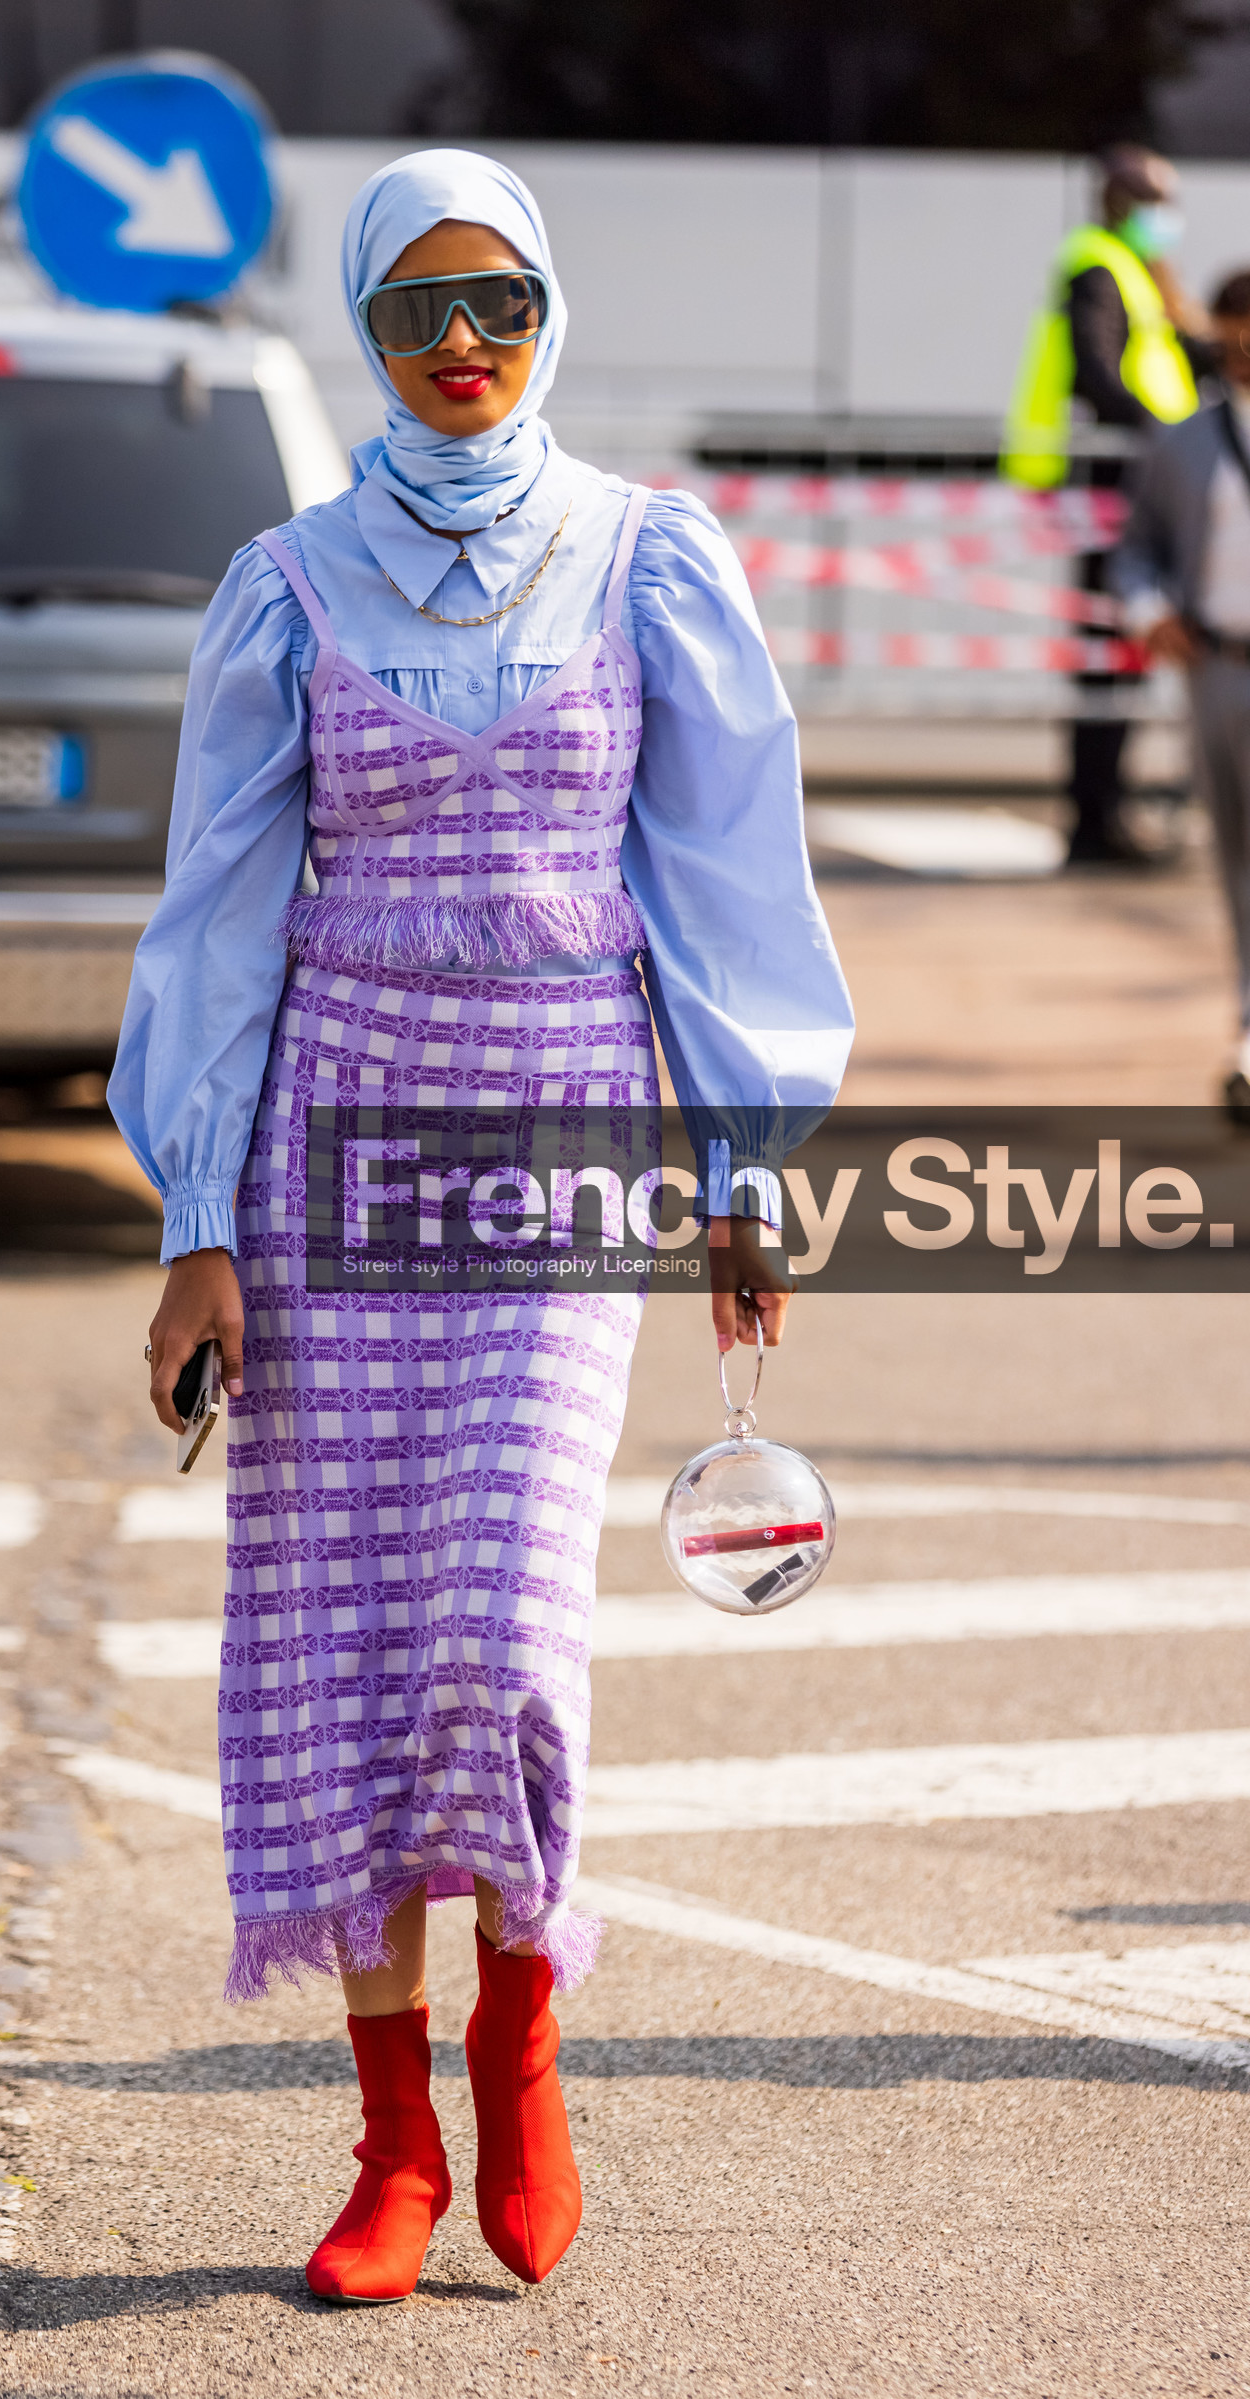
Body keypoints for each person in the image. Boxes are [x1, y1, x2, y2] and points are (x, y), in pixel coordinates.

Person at [109, 149, 853, 2304]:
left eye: (500, 307)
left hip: (554, 1133)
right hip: (324, 1138)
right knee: (338, 1645)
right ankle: (388, 2137)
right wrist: (193, 1210)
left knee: (498, 1624)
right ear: (366, 327)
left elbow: (717, 879)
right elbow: (222, 911)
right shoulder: (283, 582)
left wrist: (741, 1166)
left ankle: (520, 2049)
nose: (461, 349)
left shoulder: (649, 557)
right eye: (423, 313)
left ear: (547, 313)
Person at [1004, 144, 1209, 866]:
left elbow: (1184, 353)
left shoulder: (1136, 272)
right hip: (1118, 485)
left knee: (1124, 650)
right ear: (1125, 202)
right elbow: (1098, 373)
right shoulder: (1098, 265)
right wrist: (1175, 442)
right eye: (1160, 200)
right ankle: (1095, 821)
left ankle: (1104, 814)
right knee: (1111, 651)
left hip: (1139, 483)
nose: (1169, 216)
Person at [1111, 267, 1250, 1119]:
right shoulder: (1185, 443)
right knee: (1238, 858)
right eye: (1236, 331)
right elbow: (1135, 552)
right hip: (1222, 669)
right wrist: (1148, 611)